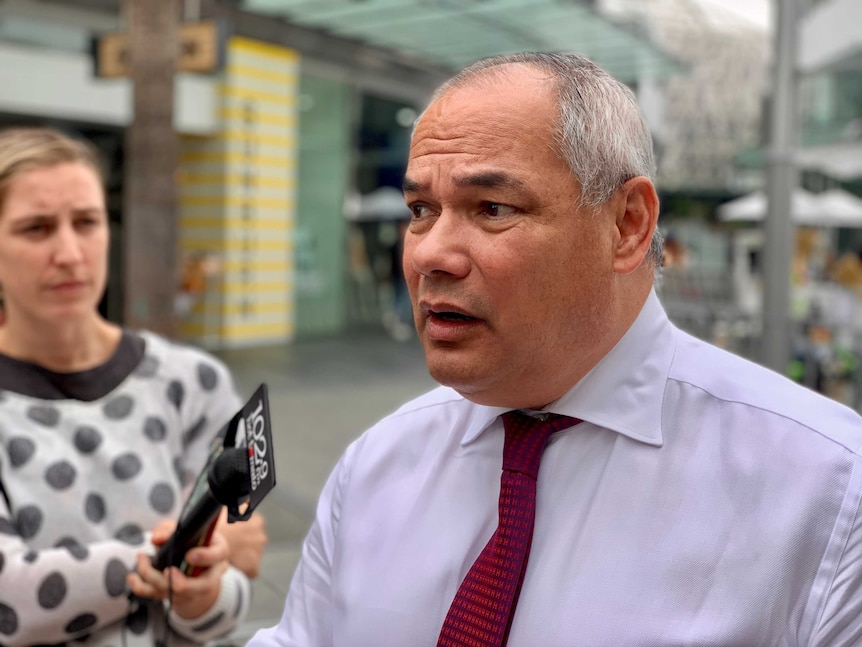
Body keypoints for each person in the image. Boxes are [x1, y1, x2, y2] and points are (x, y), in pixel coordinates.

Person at [249, 52, 862, 647]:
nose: (429, 253)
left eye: (492, 208)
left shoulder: (826, 496)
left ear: (627, 225)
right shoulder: (376, 467)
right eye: (420, 210)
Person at [0, 126, 266, 647]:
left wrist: (205, 589)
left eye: (86, 222)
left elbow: (235, 580)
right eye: (36, 228)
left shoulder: (191, 382)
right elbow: (9, 600)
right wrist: (178, 551)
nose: (70, 252)